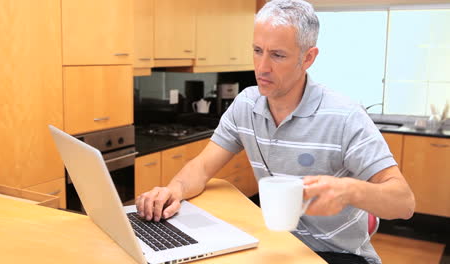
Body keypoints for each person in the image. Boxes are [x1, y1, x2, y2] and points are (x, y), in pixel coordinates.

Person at [135, 0, 415, 263]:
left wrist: (349, 190)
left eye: (278, 55)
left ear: (308, 58)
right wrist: (173, 190)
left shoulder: (345, 116)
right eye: (257, 51)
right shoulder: (246, 104)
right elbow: (202, 166)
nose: (261, 67)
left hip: (337, 255)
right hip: (277, 247)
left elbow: (403, 202)